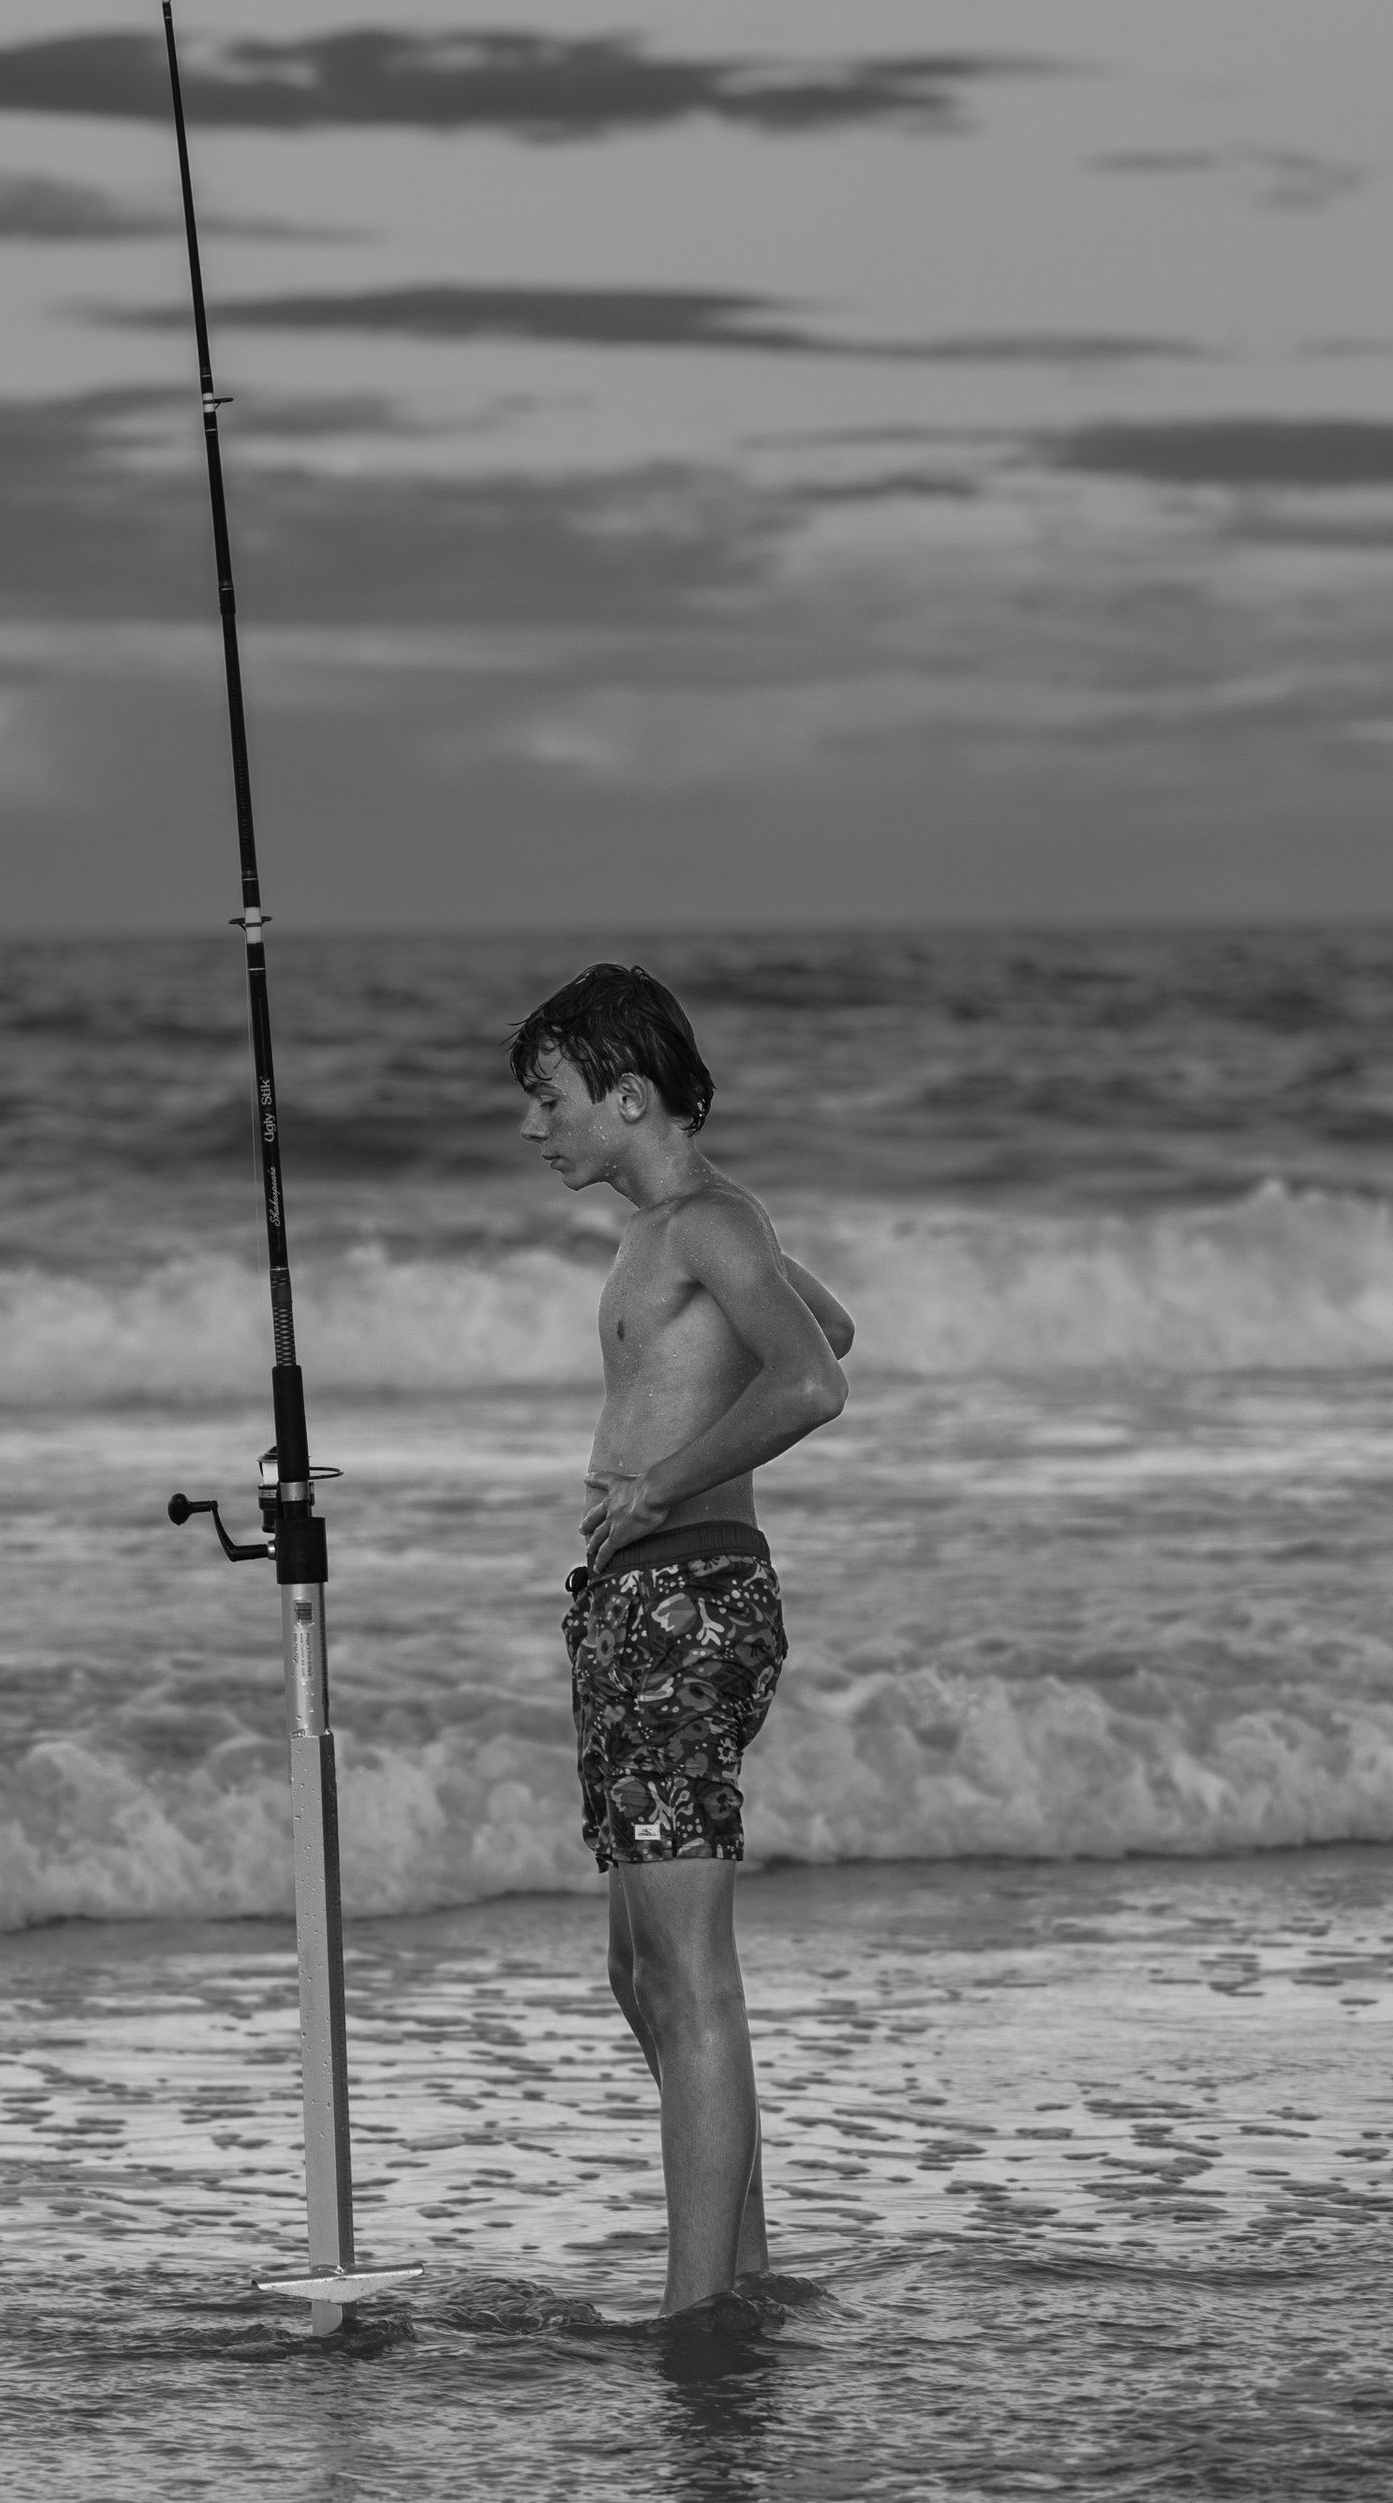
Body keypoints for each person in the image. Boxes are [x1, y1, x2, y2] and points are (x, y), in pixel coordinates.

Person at [510, 959, 854, 2321]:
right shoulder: (682, 1230)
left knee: (690, 1969)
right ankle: (742, 2265)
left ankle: (698, 2307)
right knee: (637, 1965)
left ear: (628, 1090)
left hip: (686, 1594)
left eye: (549, 1097)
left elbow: (816, 1377)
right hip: (635, 1602)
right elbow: (820, 1319)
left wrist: (662, 1481)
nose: (535, 1125)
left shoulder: (705, 1221)